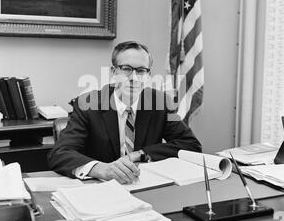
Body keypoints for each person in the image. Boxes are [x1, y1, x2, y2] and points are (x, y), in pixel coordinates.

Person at [48, 41, 202, 184]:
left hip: (144, 185)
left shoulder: (159, 102)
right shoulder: (88, 104)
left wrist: (140, 154)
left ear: (148, 75)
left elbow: (191, 145)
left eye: (141, 70)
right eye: (127, 69)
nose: (134, 78)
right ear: (114, 72)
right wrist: (101, 169)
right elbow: (60, 153)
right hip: (100, 188)